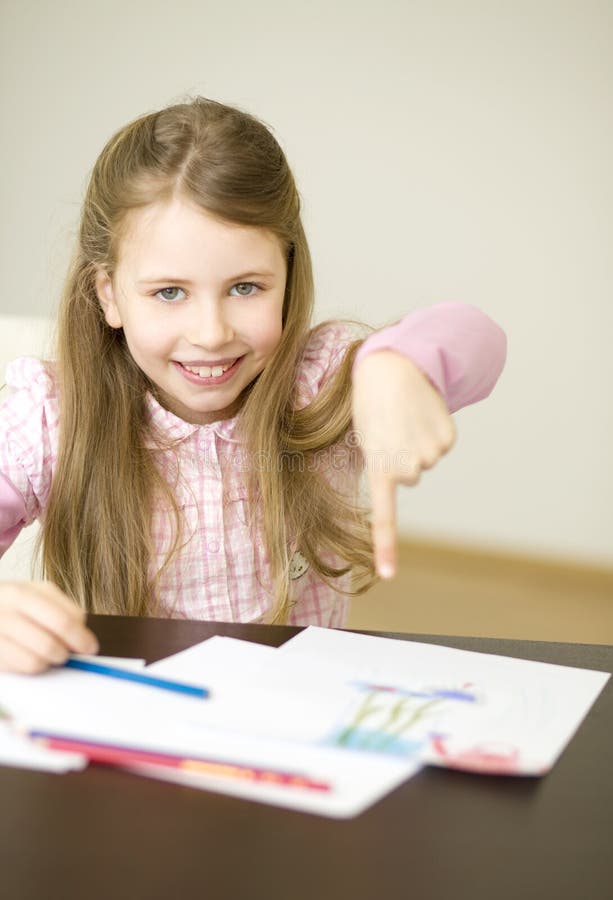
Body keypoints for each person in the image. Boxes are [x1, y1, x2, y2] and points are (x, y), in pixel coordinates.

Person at [0, 97, 506, 674]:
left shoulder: (323, 383)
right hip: (137, 737)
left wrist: (399, 366)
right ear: (109, 294)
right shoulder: (52, 422)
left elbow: (479, 338)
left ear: (288, 276)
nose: (211, 333)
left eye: (245, 288)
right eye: (169, 292)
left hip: (300, 730)